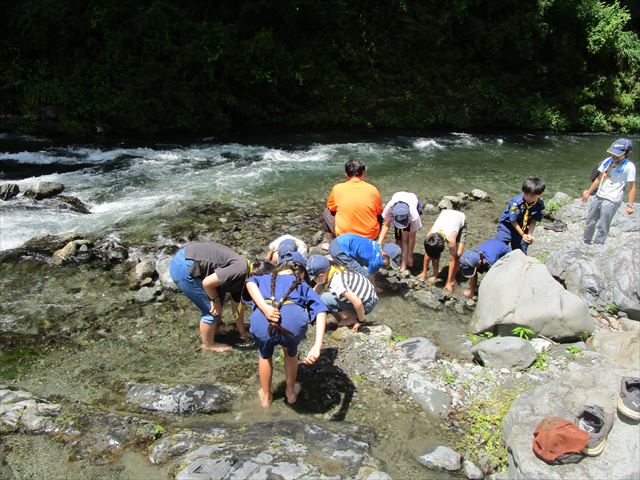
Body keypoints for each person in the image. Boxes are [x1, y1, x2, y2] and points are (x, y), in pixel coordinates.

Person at [245, 252, 327, 408]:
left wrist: (265, 308)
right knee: (291, 353)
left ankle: (266, 397)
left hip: (263, 321)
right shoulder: (301, 284)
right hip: (293, 324)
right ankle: (290, 392)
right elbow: (321, 309)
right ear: (300, 273)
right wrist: (317, 346)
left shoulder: (263, 278)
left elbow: (249, 283)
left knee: (264, 354)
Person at [169, 241, 253, 353]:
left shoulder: (245, 274)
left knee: (219, 297)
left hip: (191, 256)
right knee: (211, 310)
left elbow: (237, 306)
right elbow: (207, 283)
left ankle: (216, 328)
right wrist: (215, 300)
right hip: (183, 266)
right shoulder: (240, 269)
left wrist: (242, 332)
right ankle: (208, 345)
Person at [582, 138, 636, 245]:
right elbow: (598, 179)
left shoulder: (629, 167)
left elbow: (632, 187)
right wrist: (588, 192)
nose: (614, 157)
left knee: (603, 225)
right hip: (599, 195)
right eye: (613, 154)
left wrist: (630, 205)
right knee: (590, 221)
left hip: (612, 199)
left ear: (628, 153)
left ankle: (598, 245)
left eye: (618, 155)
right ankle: (586, 242)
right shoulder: (607, 161)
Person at [307, 254, 378, 332]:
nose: (314, 281)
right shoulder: (334, 267)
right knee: (324, 297)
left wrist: (360, 321)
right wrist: (308, 298)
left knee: (323, 300)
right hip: (370, 295)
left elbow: (358, 303)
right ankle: (344, 320)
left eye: (314, 278)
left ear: (321, 276)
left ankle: (354, 318)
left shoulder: (336, 284)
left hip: (365, 304)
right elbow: (321, 284)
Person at [323, 158, 383, 242]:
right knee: (379, 215)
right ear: (363, 173)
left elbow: (331, 208)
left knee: (326, 211)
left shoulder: (337, 188)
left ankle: (333, 242)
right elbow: (379, 212)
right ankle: (376, 241)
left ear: (346, 174)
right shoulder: (373, 189)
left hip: (345, 236)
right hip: (369, 236)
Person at [418, 209, 467, 292]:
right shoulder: (429, 237)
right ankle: (435, 274)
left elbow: (452, 259)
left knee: (458, 254)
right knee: (432, 251)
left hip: (460, 219)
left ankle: (452, 279)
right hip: (446, 215)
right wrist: (424, 273)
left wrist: (448, 282)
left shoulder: (451, 239)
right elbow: (428, 252)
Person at [495, 177, 546, 254]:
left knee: (520, 252)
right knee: (498, 247)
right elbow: (513, 220)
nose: (528, 198)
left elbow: (533, 221)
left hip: (523, 227)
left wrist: (529, 235)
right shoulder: (517, 202)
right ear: (523, 191)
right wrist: (522, 234)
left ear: (540, 194)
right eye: (525, 194)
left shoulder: (540, 205)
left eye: (532, 196)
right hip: (507, 227)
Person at [378, 191, 423, 271]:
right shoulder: (389, 208)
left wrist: (410, 255)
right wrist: (380, 241)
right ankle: (397, 259)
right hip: (398, 200)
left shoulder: (414, 215)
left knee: (405, 240)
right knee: (399, 239)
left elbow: (412, 238)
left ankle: (403, 267)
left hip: (411, 203)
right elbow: (386, 224)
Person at [329, 232, 402, 277]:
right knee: (364, 274)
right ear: (384, 255)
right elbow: (370, 275)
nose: (387, 264)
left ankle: (336, 259)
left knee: (359, 261)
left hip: (341, 239)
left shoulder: (376, 245)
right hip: (339, 251)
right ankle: (333, 262)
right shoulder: (377, 262)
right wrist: (374, 287)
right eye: (389, 262)